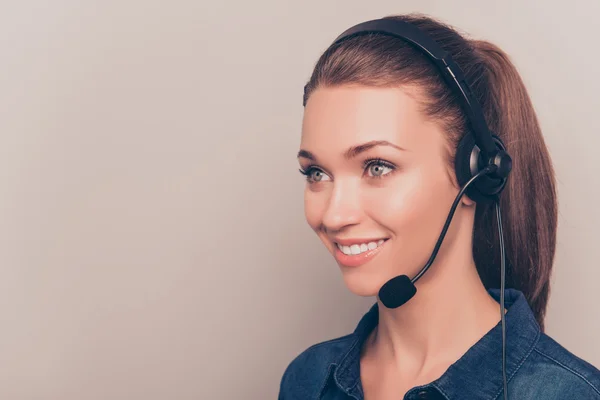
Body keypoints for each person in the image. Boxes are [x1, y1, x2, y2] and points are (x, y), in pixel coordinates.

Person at [278, 13, 600, 400]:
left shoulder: (567, 394)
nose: (332, 215)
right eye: (316, 173)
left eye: (377, 167)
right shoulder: (308, 379)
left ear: (475, 173)